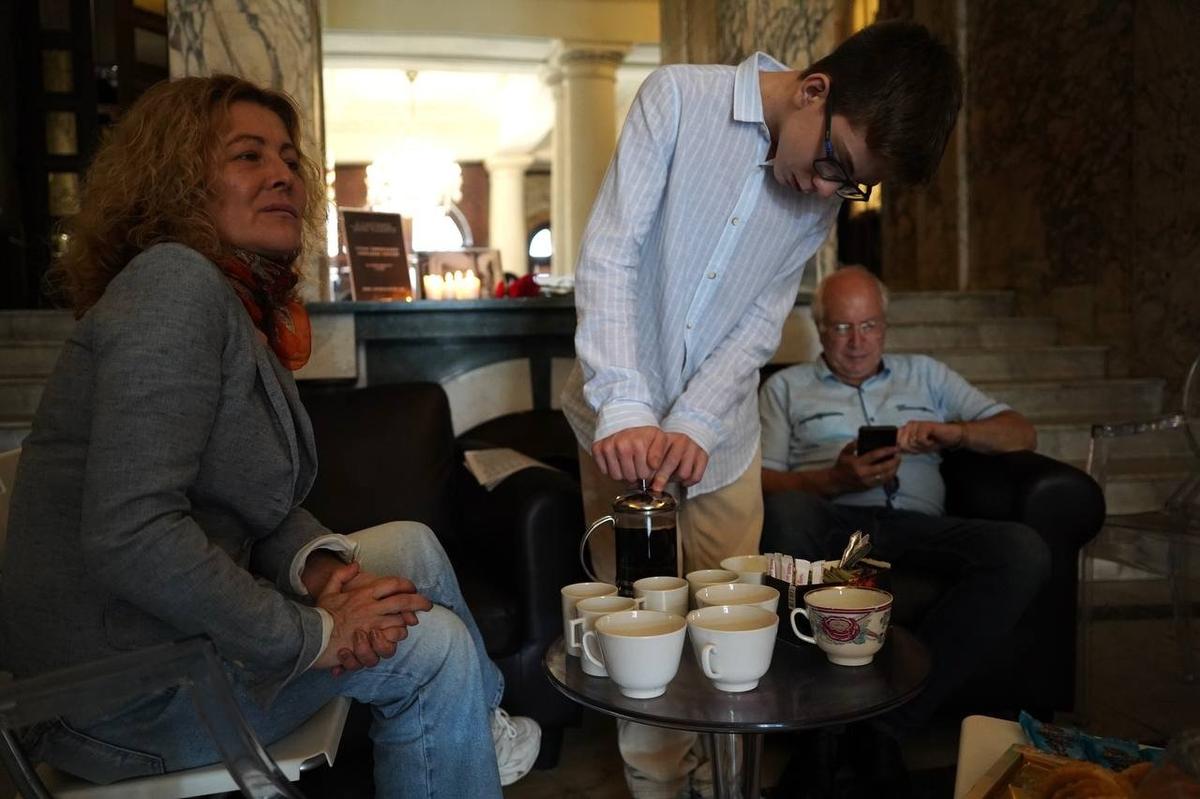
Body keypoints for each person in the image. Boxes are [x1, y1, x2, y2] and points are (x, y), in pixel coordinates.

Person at [0, 75, 539, 797]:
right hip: (120, 694)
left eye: (288, 157)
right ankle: (462, 705)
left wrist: (319, 570)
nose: (283, 173)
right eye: (248, 155)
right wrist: (314, 634)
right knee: (433, 648)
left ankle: (480, 719)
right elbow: (131, 531)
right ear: (178, 182)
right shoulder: (173, 286)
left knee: (410, 543)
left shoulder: (232, 300)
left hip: (161, 640)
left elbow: (249, 501)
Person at [560, 19, 963, 799]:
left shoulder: (818, 201)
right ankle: (660, 788)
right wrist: (628, 405)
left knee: (737, 633)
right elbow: (611, 255)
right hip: (615, 425)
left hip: (720, 443)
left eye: (849, 184)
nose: (826, 190)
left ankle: (726, 786)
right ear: (813, 89)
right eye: (833, 162)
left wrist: (694, 422)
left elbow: (756, 324)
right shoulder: (678, 100)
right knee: (641, 631)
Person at [759, 266, 1052, 745]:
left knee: (1023, 549)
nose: (858, 342)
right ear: (820, 328)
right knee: (788, 511)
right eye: (842, 327)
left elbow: (1021, 432)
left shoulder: (927, 374)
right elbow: (763, 480)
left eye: (869, 325)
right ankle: (813, 725)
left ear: (885, 326)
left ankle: (888, 723)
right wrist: (833, 480)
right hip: (832, 522)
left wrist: (955, 433)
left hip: (917, 526)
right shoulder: (784, 388)